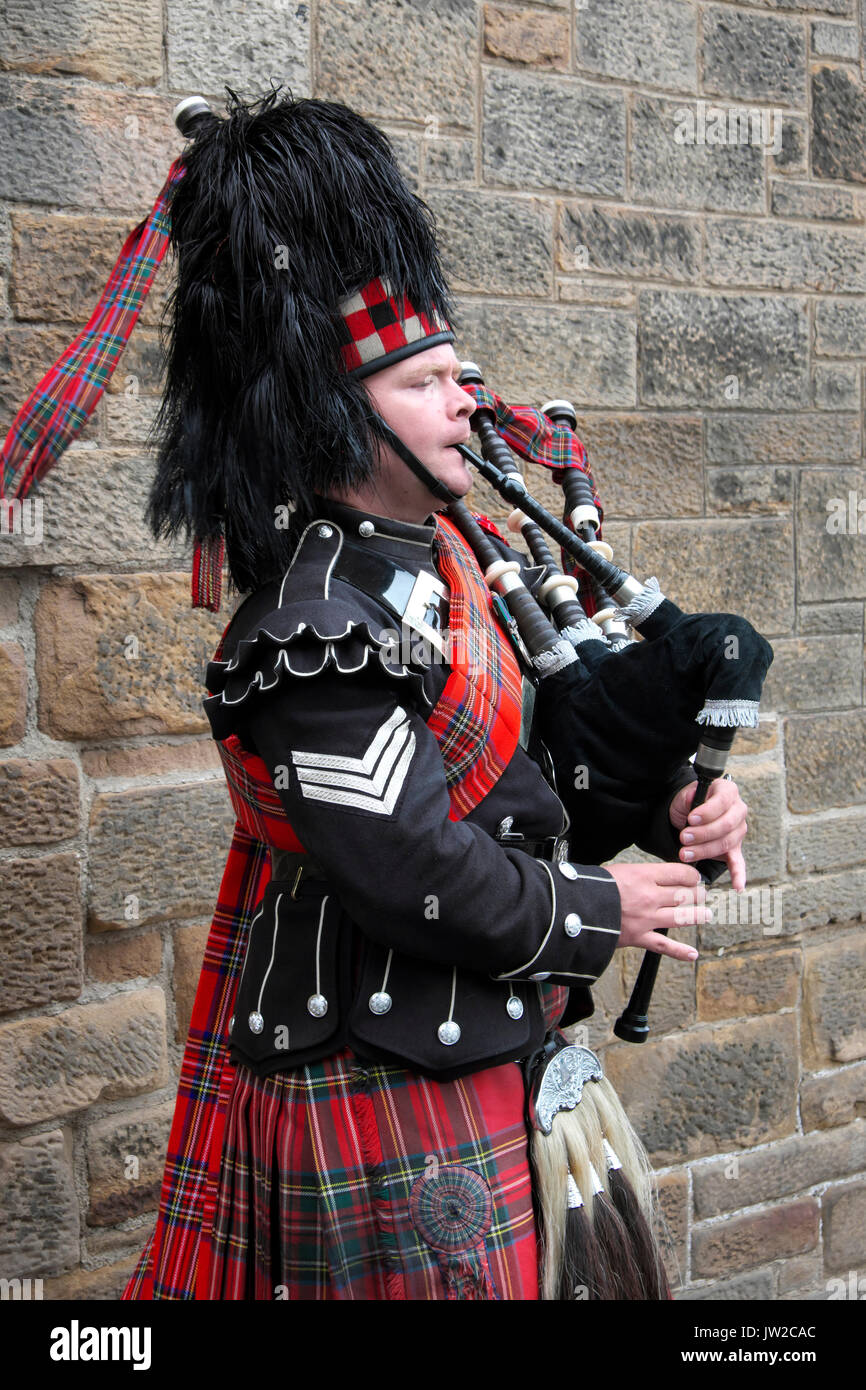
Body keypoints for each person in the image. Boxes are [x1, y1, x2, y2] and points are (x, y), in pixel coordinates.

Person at [118, 88, 749, 1301]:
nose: (469, 399)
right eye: (428, 382)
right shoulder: (310, 630)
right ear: (329, 414)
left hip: (484, 1043)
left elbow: (525, 784)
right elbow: (406, 861)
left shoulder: (449, 570)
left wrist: (670, 803)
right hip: (373, 1080)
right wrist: (594, 908)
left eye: (462, 375)